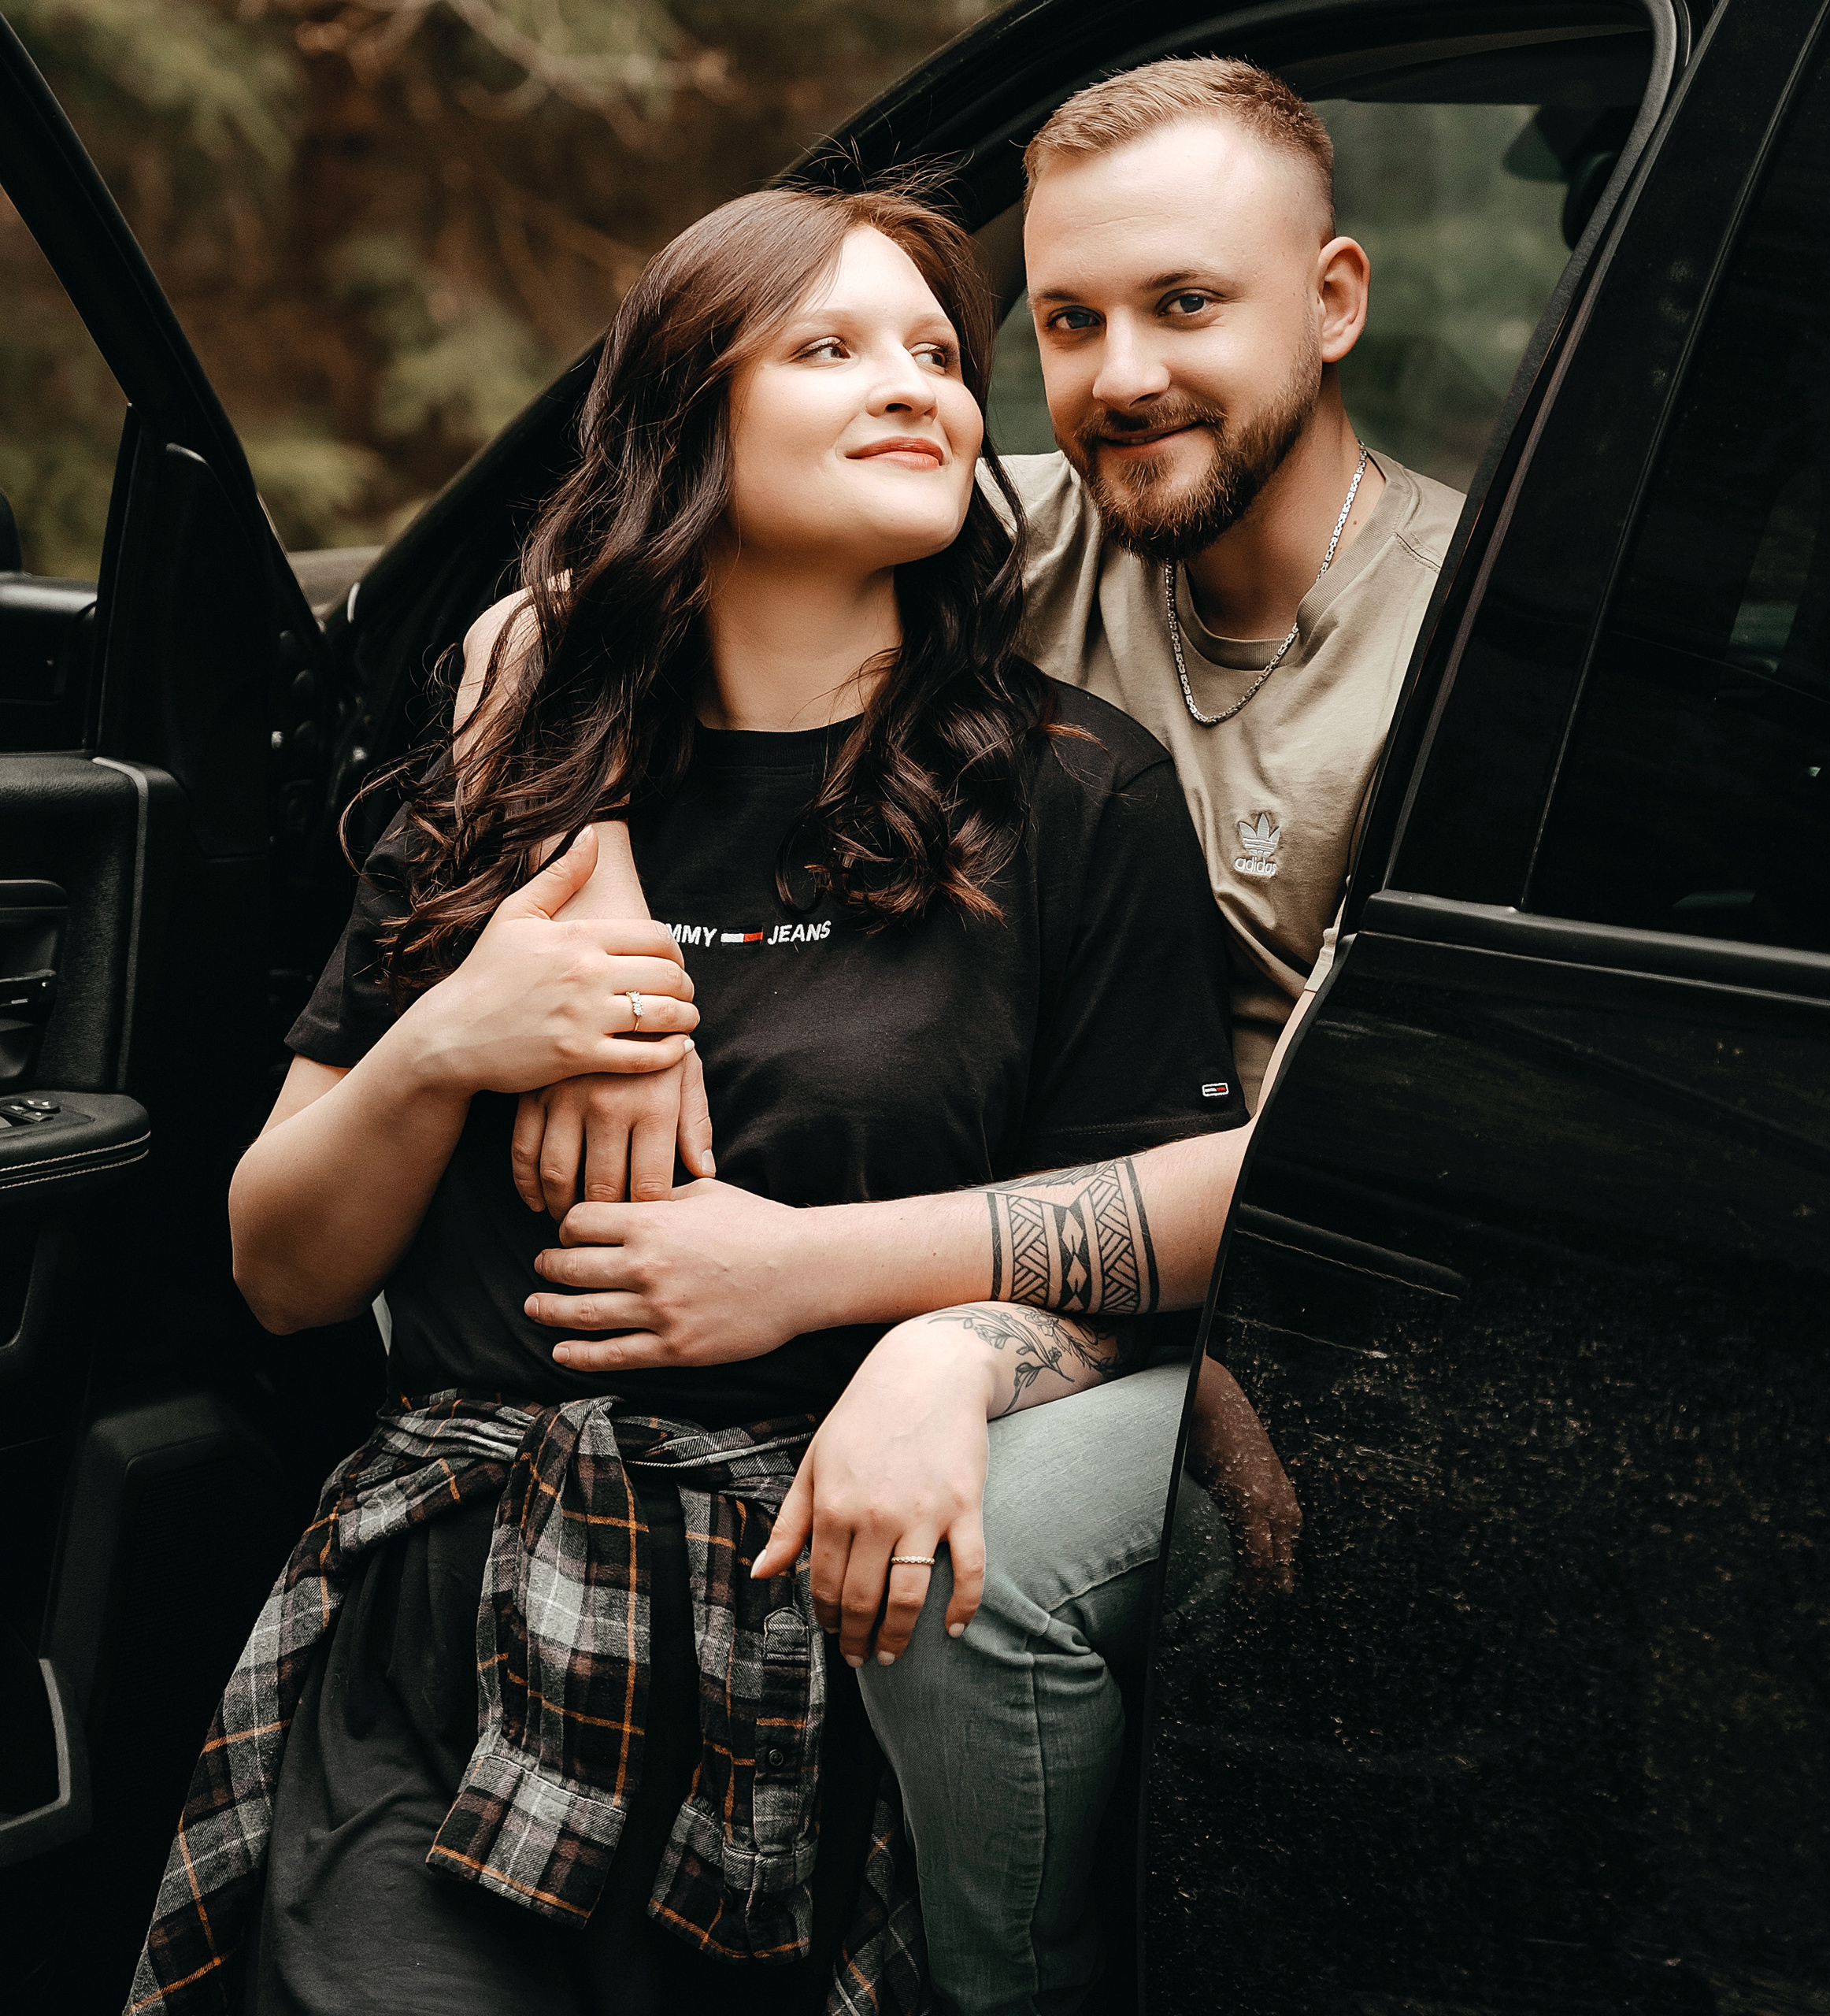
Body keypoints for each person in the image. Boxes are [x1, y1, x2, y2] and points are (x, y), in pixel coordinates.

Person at [124, 178, 1247, 2016]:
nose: (917, 388)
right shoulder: (512, 784)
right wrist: (450, 1036)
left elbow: (1158, 1248)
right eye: (828, 347)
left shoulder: (1067, 793)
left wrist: (929, 1339)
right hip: (462, 1631)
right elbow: (281, 1270)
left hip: (828, 1638)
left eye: (938, 354)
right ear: (680, 426)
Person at [503, 57, 1464, 2016]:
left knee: (977, 1561)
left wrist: (925, 1319)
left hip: (1352, 1314)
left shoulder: (1467, 639)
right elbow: (550, 620)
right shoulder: (1013, 528)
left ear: (1335, 299)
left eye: (1187, 307)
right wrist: (587, 909)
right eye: (1067, 321)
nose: (1118, 377)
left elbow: (1426, 1140)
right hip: (1086, 1237)